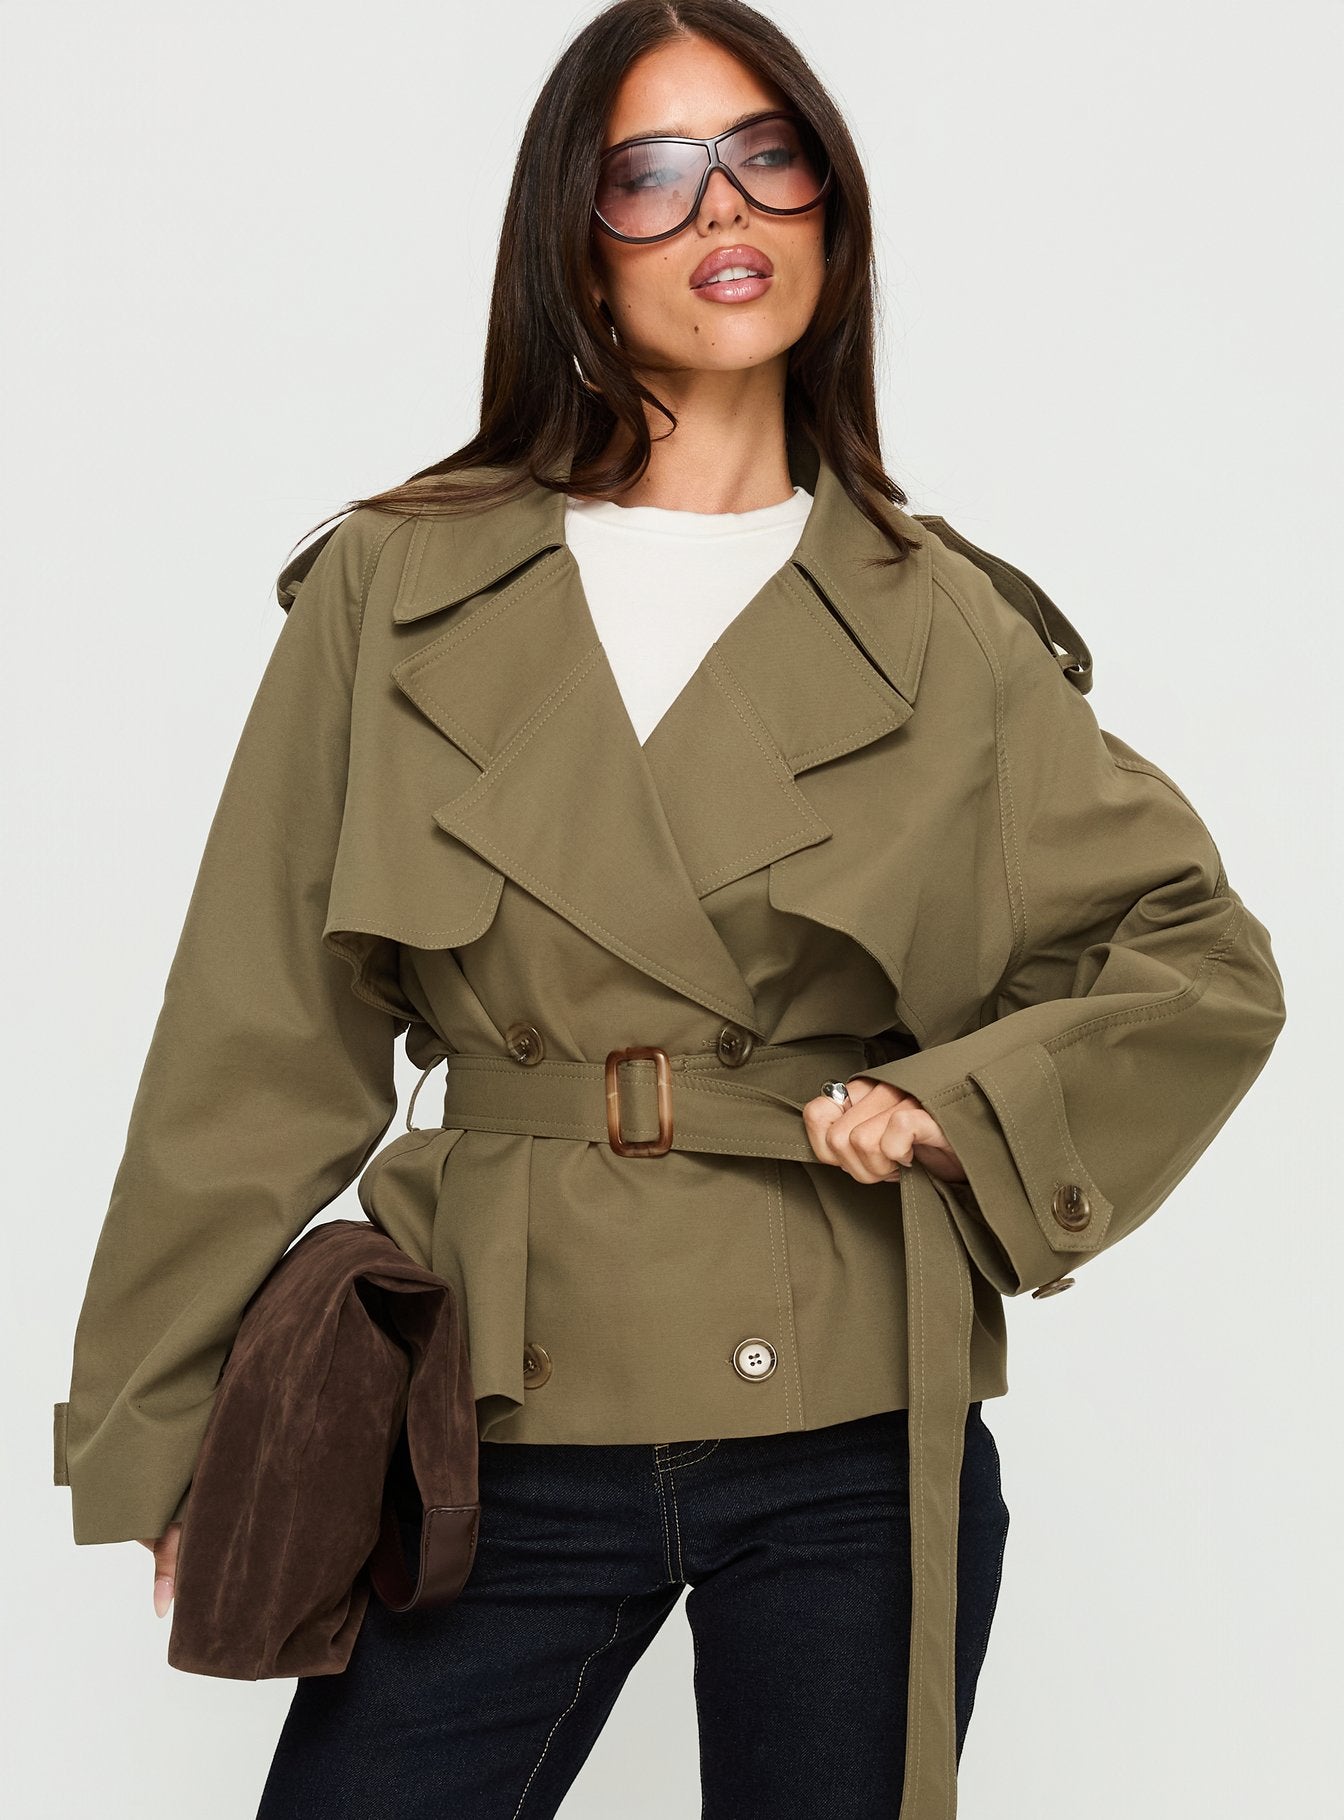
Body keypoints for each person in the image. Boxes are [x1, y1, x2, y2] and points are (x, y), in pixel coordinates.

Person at [52, 3, 1287, 1816]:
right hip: (495, 1403)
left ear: (830, 208)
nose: (725, 206)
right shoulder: (396, 588)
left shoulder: (945, 624)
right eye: (653, 173)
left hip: (850, 1413)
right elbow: (259, 1040)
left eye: (768, 156)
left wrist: (960, 1105)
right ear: (575, 242)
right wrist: (163, 1424)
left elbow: (1198, 957)